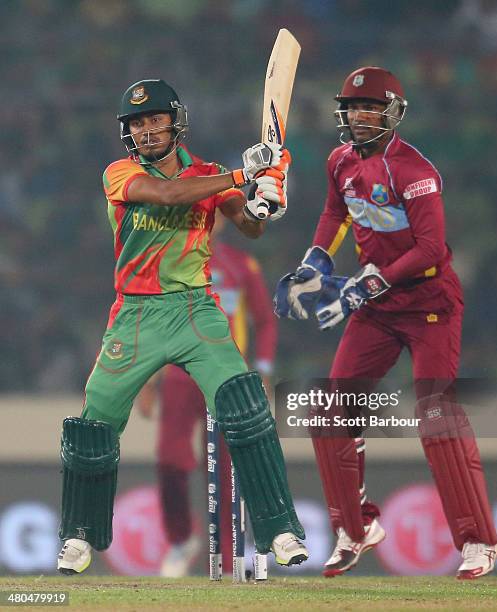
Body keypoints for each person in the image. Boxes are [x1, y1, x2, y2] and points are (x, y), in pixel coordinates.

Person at [57, 78, 308, 574]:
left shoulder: (211, 175)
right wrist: (242, 174)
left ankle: (280, 529)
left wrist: (265, 198)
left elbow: (251, 226)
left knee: (246, 406)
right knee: (95, 419)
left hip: (196, 309)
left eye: (154, 119)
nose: (146, 131)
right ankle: (79, 535)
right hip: (136, 313)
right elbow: (170, 194)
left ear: (175, 120)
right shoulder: (120, 172)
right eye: (136, 123)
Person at [275, 66, 497, 579]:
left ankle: (479, 542)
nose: (358, 116)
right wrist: (315, 263)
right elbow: (336, 215)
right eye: (352, 107)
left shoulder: (414, 171)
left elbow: (432, 249)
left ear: (393, 111)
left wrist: (368, 283)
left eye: (370, 107)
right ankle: (356, 529)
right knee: (330, 411)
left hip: (429, 304)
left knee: (436, 415)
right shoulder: (339, 161)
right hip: (377, 308)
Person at [137, 214, 277, 577]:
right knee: (170, 459)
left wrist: (261, 370)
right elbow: (150, 322)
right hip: (180, 376)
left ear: (221, 222)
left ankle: (230, 560)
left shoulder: (241, 265)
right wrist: (148, 379)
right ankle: (182, 539)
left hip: (228, 379)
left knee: (227, 470)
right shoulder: (166, 261)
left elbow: (265, 321)